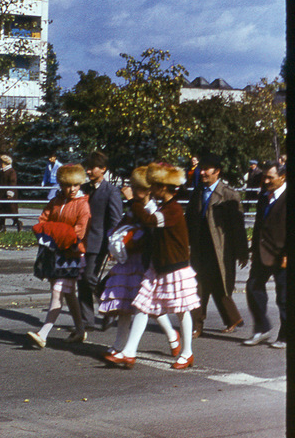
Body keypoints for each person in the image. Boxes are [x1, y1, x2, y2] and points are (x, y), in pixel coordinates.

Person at [104, 162, 200, 370]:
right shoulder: (166, 207)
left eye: (155, 185)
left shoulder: (173, 209)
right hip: (158, 267)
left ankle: (187, 352)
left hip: (175, 267)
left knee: (182, 310)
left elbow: (149, 221)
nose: (152, 188)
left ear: (164, 187)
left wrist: (132, 201)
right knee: (141, 305)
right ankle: (129, 352)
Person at [185, 153, 248, 337]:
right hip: (200, 248)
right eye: (201, 169)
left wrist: (242, 252)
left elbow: (238, 227)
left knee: (220, 285)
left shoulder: (229, 194)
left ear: (217, 171)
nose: (202, 173)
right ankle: (197, 325)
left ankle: (232, 318)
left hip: (220, 249)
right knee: (197, 286)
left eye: (207, 169)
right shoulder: (197, 192)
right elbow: (189, 219)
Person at [27, 164, 91, 348]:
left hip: (71, 254)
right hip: (54, 252)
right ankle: (80, 330)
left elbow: (79, 232)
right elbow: (43, 220)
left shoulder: (82, 204)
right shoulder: (56, 201)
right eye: (68, 185)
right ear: (61, 185)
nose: (72, 189)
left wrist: (56, 233)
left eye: (76, 185)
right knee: (68, 293)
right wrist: (55, 234)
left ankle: (43, 333)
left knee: (57, 292)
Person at [243, 162, 286, 348]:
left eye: (270, 177)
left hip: (283, 254)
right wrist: (253, 249)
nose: (266, 181)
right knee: (253, 287)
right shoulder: (264, 196)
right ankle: (262, 328)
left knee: (284, 297)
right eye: (264, 177)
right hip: (262, 251)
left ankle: (285, 336)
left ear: (282, 177)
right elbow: (259, 224)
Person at [78, 151, 123, 331]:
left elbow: (115, 220)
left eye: (92, 168)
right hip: (82, 241)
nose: (88, 171)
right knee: (82, 280)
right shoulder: (84, 189)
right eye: (87, 168)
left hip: (99, 242)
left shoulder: (111, 191)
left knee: (88, 276)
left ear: (103, 169)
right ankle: (86, 320)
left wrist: (112, 245)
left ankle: (110, 303)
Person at [0, 155, 22, 232]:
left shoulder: (11, 171)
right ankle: (2, 227)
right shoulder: (0, 171)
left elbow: (13, 182)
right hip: (1, 193)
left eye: (1, 162)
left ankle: (17, 222)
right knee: (0, 210)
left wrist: (10, 192)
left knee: (11, 210)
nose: (0, 164)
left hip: (8, 194)